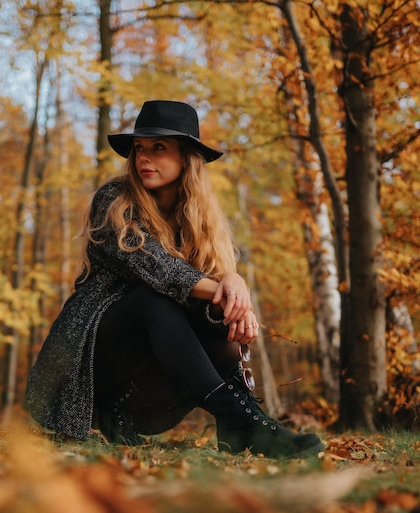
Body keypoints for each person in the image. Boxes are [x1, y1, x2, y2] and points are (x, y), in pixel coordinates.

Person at [26, 100, 324, 459]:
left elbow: (210, 284)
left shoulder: (199, 220)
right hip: (82, 374)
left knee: (213, 318)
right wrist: (232, 292)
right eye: (139, 149)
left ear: (186, 158)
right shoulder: (114, 200)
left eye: (159, 148)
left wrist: (234, 280)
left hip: (134, 401)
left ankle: (239, 424)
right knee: (154, 299)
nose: (144, 159)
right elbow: (157, 269)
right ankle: (240, 419)